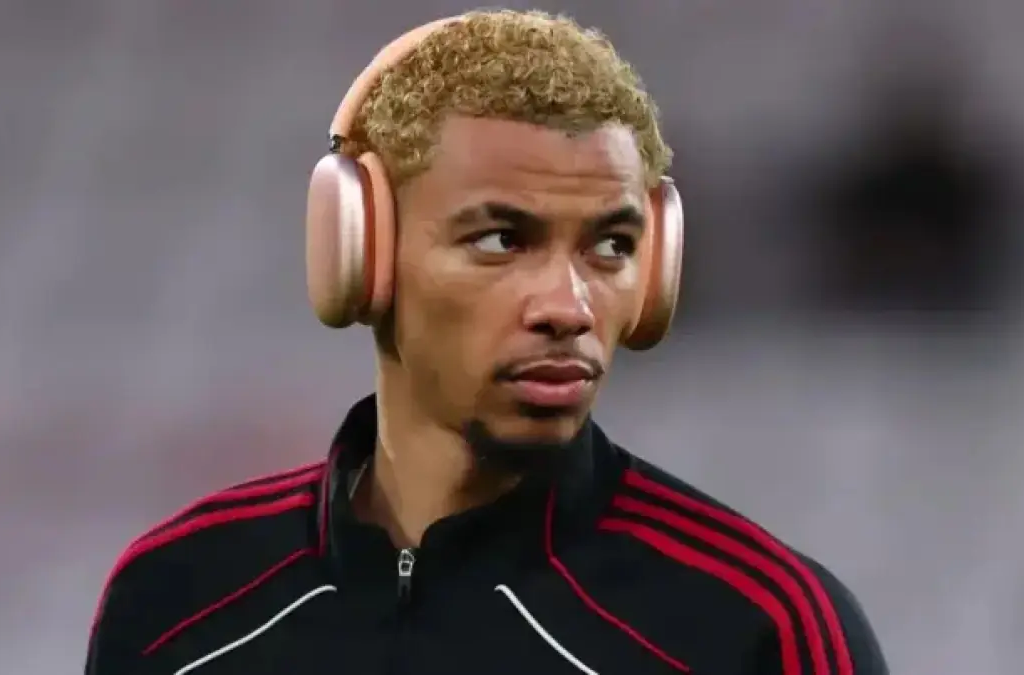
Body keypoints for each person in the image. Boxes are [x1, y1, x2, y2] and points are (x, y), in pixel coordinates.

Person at [85, 10, 888, 675]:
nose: (568, 307)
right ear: (363, 253)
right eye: (502, 240)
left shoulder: (759, 628)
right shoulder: (174, 600)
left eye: (611, 246)